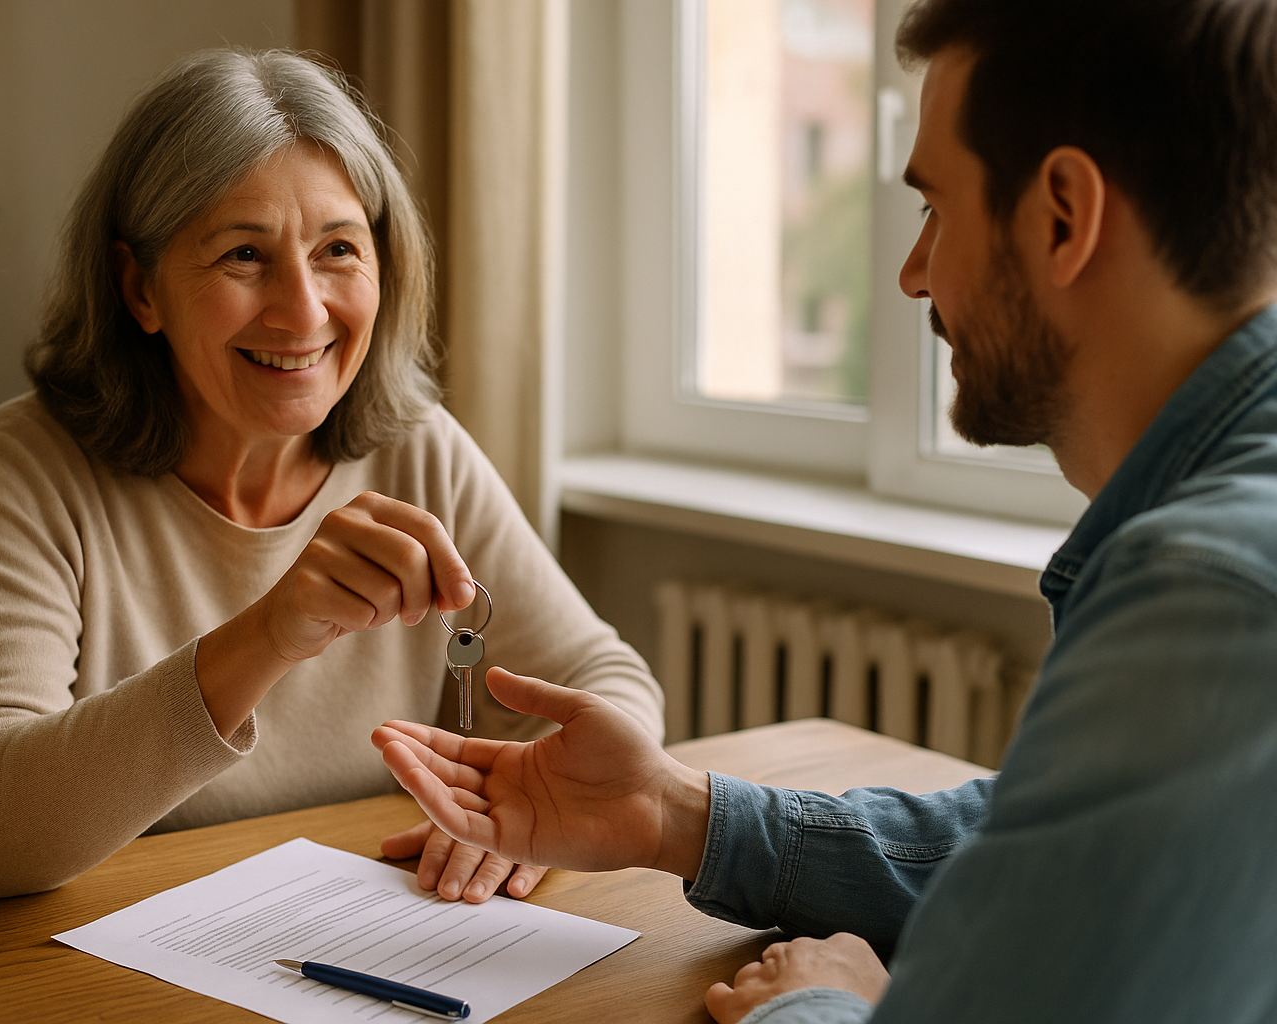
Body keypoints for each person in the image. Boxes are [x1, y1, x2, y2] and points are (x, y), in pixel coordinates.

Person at [373, 1, 1277, 1020]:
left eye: (936, 209)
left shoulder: (1210, 599)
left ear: (1063, 215)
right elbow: (1044, 844)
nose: (912, 273)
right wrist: (674, 813)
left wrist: (824, 1005)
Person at [0, 49, 663, 900]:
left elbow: (606, 682)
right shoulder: (25, 465)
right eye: (245, 255)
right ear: (140, 289)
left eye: (338, 249)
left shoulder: (419, 449)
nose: (303, 310)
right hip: (6, 947)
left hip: (310, 926)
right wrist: (271, 633)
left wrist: (533, 814)